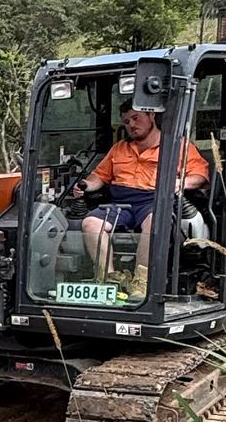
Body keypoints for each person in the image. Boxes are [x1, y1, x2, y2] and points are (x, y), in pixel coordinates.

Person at [77, 101, 209, 288]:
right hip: (121, 203)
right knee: (90, 223)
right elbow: (99, 176)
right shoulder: (119, 148)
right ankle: (109, 280)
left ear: (151, 115)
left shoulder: (176, 146)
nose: (131, 124)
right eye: (126, 121)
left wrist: (181, 183)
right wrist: (86, 184)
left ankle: (141, 282)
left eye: (136, 118)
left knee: (154, 222)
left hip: (154, 201)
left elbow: (200, 175)